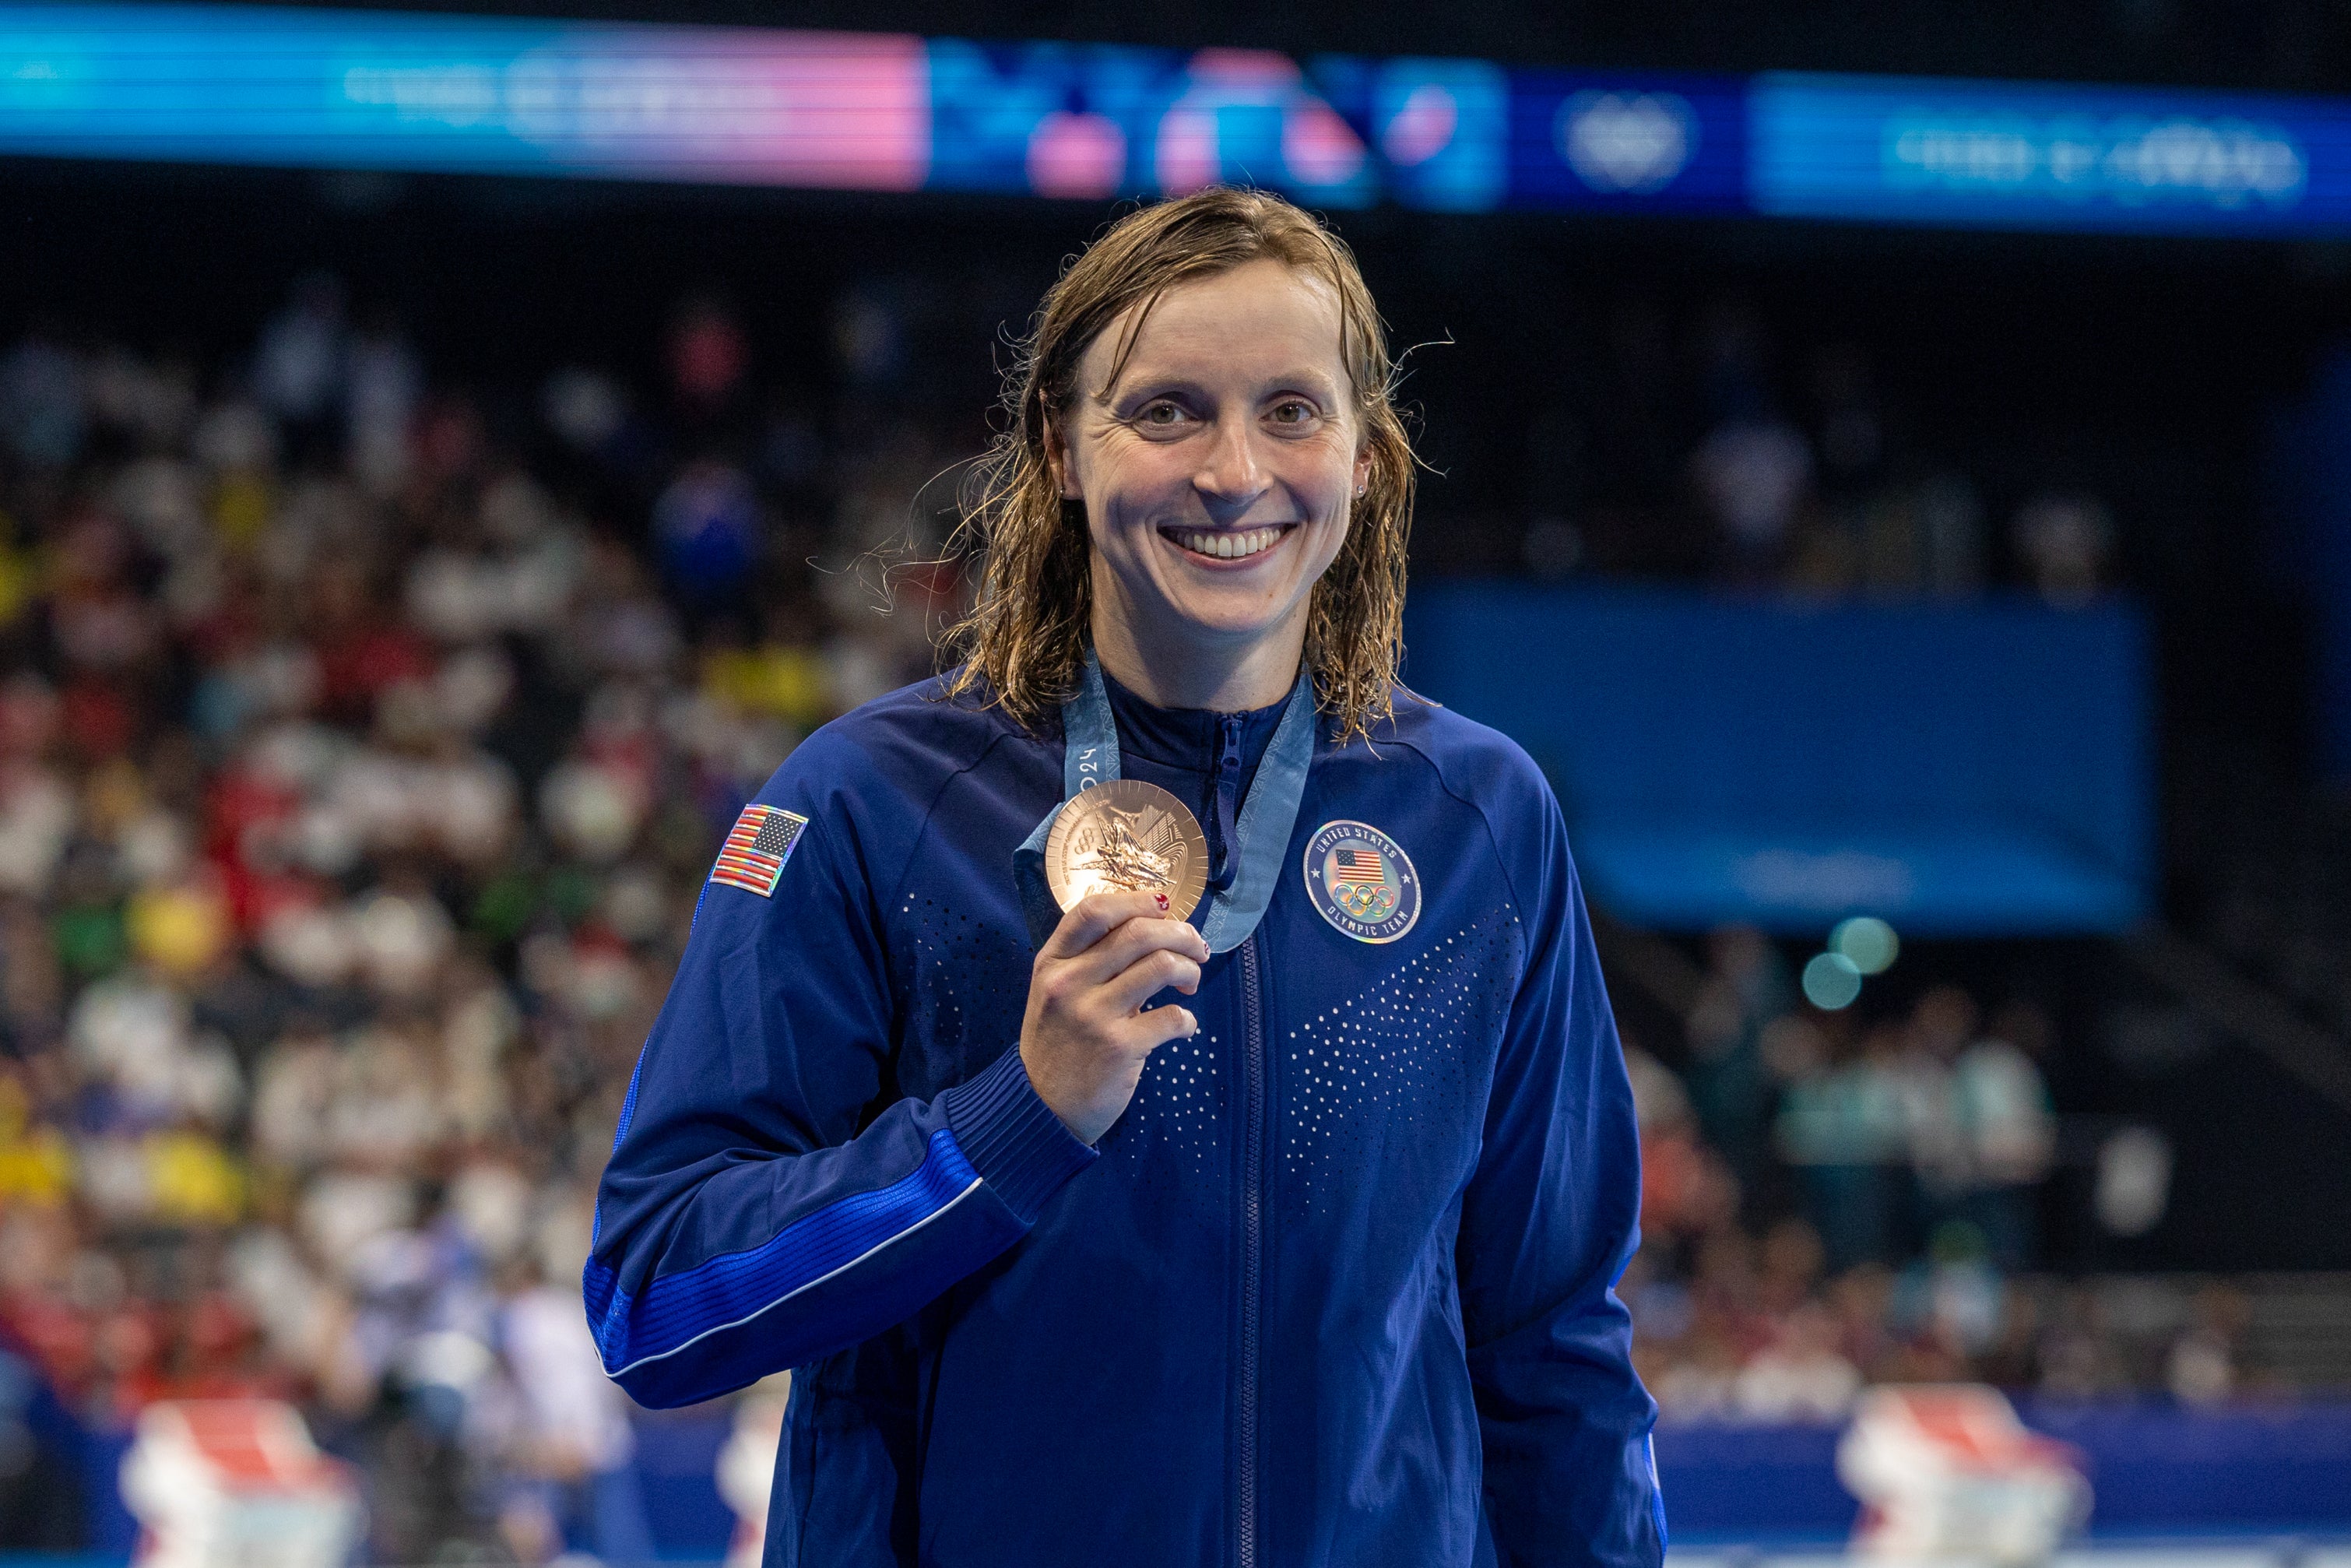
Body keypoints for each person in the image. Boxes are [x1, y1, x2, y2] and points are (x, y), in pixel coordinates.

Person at [586, 188, 1663, 1566]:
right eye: (1165, 411)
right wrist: (1009, 1124)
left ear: (1369, 456)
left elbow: (1555, 1343)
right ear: (1062, 448)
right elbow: (656, 1296)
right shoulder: (873, 804)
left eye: (1291, 410)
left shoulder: (1479, 821)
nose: (1233, 472)